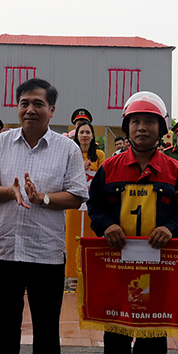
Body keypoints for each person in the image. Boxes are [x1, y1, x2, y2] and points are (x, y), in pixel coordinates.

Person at [0, 78, 87, 354]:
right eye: (24, 102)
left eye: (38, 103)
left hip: (47, 252)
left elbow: (78, 194)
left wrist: (43, 198)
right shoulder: (2, 143)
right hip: (7, 248)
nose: (30, 109)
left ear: (52, 110)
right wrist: (9, 192)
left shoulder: (67, 149)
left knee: (46, 325)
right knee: (4, 325)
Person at [88, 92, 178, 354]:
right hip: (118, 264)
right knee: (117, 327)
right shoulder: (109, 168)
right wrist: (105, 226)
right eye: (135, 122)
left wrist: (172, 229)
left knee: (154, 329)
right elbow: (94, 206)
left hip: (159, 265)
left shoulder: (175, 171)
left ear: (161, 128)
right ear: (127, 127)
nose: (141, 127)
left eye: (149, 121)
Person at [65, 118, 105, 284]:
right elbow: (65, 176)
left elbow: (103, 178)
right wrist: (81, 168)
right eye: (81, 132)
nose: (85, 135)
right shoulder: (70, 154)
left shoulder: (100, 155)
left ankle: (91, 274)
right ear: (77, 135)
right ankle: (73, 275)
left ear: (93, 135)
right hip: (74, 203)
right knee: (72, 237)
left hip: (91, 204)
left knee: (90, 235)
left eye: (88, 132)